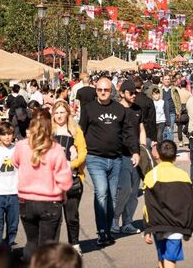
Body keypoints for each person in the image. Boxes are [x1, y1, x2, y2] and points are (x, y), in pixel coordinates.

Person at [80, 77, 139, 247]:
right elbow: (81, 132)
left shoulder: (120, 109)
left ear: (111, 91)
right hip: (95, 158)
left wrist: (135, 151)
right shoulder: (88, 109)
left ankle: (108, 228)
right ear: (96, 90)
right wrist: (77, 154)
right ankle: (102, 231)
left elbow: (128, 133)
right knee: (102, 192)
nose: (103, 93)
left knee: (112, 196)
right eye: (100, 90)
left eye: (106, 90)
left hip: (116, 159)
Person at [12, 109, 72, 261]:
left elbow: (15, 162)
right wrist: (62, 192)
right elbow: (64, 179)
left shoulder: (21, 145)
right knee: (47, 246)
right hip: (49, 201)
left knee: (32, 242)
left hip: (26, 200)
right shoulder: (55, 148)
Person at [143, 140, 193, 268]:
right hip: (177, 223)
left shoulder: (151, 175)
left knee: (161, 255)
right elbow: (189, 203)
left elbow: (147, 205)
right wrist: (190, 227)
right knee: (170, 259)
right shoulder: (184, 176)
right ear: (175, 157)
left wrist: (147, 229)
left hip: (158, 223)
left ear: (158, 156)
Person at [52, 101, 87, 254]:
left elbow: (83, 153)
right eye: (56, 112)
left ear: (67, 113)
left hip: (72, 180)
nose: (59, 115)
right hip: (51, 181)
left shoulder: (75, 131)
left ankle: (74, 244)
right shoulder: (49, 132)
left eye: (62, 112)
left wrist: (72, 165)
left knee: (71, 216)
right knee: (53, 218)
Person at [112, 80, 144, 235]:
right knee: (124, 189)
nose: (133, 96)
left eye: (135, 93)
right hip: (121, 154)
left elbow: (141, 130)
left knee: (134, 191)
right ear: (122, 93)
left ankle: (128, 222)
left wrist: (142, 149)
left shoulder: (137, 109)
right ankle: (114, 220)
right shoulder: (116, 109)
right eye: (130, 93)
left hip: (136, 154)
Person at [160, 75, 181, 142]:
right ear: (162, 80)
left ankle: (170, 146)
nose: (167, 80)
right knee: (164, 130)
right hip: (162, 113)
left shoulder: (173, 89)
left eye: (168, 79)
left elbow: (178, 101)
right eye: (165, 79)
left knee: (170, 129)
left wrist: (178, 111)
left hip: (171, 112)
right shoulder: (159, 89)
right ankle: (164, 146)